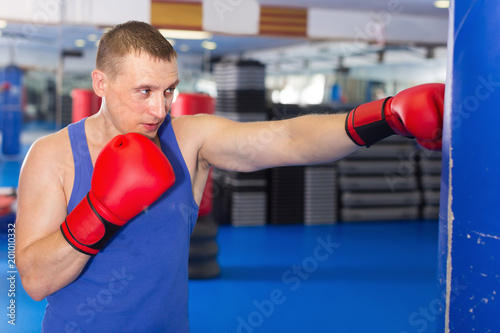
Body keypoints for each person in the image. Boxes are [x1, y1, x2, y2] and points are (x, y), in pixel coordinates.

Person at [14, 20, 444, 332]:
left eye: (169, 91)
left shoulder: (188, 139)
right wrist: (101, 210)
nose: (159, 109)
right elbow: (34, 280)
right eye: (144, 91)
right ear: (100, 83)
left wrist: (383, 116)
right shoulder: (53, 156)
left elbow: (287, 137)